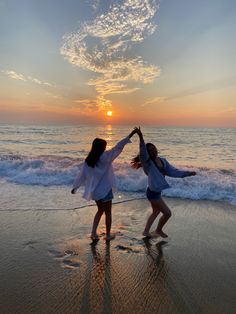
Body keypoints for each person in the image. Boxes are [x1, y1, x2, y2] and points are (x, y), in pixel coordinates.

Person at [71, 128, 137, 241]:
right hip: (105, 190)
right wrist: (131, 134)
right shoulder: (106, 157)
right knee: (108, 213)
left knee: (100, 211)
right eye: (104, 146)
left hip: (95, 192)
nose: (106, 148)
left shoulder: (89, 160)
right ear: (102, 147)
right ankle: (107, 235)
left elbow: (81, 175)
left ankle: (93, 233)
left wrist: (75, 187)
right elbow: (118, 146)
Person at [131, 127, 196, 238]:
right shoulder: (147, 163)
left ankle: (146, 232)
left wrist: (187, 174)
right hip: (152, 192)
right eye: (150, 150)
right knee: (167, 213)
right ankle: (158, 230)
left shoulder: (163, 160)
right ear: (148, 153)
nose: (153, 151)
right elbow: (142, 152)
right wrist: (141, 137)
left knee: (156, 212)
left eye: (154, 149)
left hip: (156, 192)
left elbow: (173, 171)